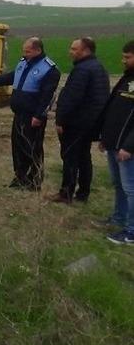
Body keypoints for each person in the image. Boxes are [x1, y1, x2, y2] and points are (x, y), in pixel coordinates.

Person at [0, 37, 60, 190]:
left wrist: (38, 116)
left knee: (32, 148)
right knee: (18, 147)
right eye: (24, 51)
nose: (24, 53)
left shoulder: (49, 70)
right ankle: (20, 178)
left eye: (28, 51)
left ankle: (34, 181)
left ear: (38, 50)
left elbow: (47, 97)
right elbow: (11, 78)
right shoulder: (23, 63)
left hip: (32, 117)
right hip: (19, 114)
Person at [51, 37, 110, 203]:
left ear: (85, 51)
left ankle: (66, 193)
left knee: (70, 157)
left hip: (76, 123)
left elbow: (72, 98)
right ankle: (83, 193)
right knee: (84, 157)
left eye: (74, 49)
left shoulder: (82, 70)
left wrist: (61, 120)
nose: (70, 52)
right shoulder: (99, 68)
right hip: (90, 123)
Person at [97, 40, 134, 243]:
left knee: (131, 189)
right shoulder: (128, 79)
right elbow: (114, 111)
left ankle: (131, 231)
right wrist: (105, 138)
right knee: (119, 185)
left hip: (128, 148)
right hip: (114, 143)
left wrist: (129, 146)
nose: (123, 60)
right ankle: (119, 218)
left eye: (127, 57)